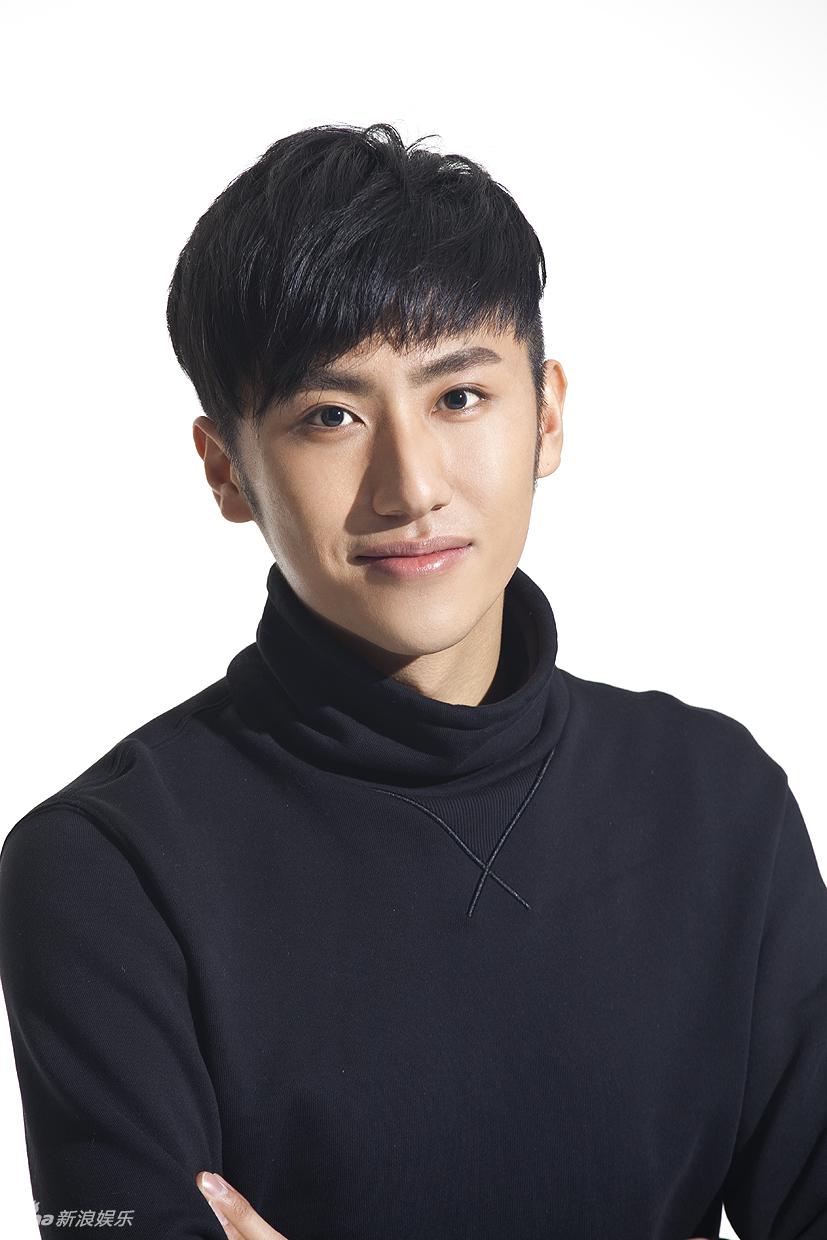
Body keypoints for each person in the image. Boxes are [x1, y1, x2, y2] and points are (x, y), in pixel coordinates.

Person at [1, 121, 824, 1240]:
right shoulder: (105, 871)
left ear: (546, 416)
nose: (410, 485)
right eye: (330, 416)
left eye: (458, 397)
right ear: (225, 468)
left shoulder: (717, 800)